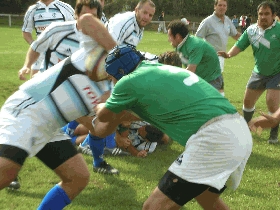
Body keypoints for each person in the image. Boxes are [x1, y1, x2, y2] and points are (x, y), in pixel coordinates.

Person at [91, 45, 252, 210]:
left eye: (112, 77)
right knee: (207, 199)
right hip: (239, 130)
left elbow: (103, 116)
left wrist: (96, 106)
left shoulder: (128, 82)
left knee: (153, 207)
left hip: (215, 137)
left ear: (120, 71)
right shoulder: (158, 68)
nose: (112, 82)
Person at [0, 1, 117, 208]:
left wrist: (120, 115)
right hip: (28, 110)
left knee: (78, 177)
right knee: (6, 172)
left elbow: (98, 129)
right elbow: (87, 21)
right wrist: (117, 53)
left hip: (49, 127)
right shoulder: (93, 52)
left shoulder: (113, 91)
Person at [80, 0, 156, 173]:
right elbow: (107, 46)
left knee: (109, 109)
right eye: (144, 13)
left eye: (150, 15)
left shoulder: (138, 28)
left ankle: (98, 144)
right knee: (104, 108)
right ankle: (88, 144)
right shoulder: (126, 22)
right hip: (101, 68)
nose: (146, 17)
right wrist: (107, 76)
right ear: (137, 9)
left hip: (113, 71)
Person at [217, 1, 280, 144]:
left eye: (267, 14)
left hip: (277, 73)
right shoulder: (251, 31)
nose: (263, 17)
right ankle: (245, 130)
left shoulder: (279, 30)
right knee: (247, 102)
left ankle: (274, 134)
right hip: (258, 72)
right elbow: (240, 45)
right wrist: (228, 55)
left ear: (274, 15)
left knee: (272, 103)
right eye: (261, 14)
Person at [195, 0, 241, 95]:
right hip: (209, 58)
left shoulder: (227, 20)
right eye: (220, 5)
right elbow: (197, 39)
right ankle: (219, 103)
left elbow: (236, 35)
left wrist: (250, 39)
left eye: (224, 5)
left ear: (226, 7)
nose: (222, 7)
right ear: (215, 6)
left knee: (213, 83)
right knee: (215, 83)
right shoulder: (207, 21)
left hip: (221, 57)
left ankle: (213, 103)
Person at [21, 0, 75, 79]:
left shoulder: (65, 8)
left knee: (59, 86)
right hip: (39, 56)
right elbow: (26, 31)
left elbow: (76, 28)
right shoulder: (32, 9)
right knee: (35, 85)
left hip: (60, 55)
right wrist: (35, 46)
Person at [167, 20, 223, 93]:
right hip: (200, 79)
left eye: (170, 36)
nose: (168, 39)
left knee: (208, 103)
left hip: (211, 81)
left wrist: (172, 81)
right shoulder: (181, 45)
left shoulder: (195, 46)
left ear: (177, 36)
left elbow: (190, 71)